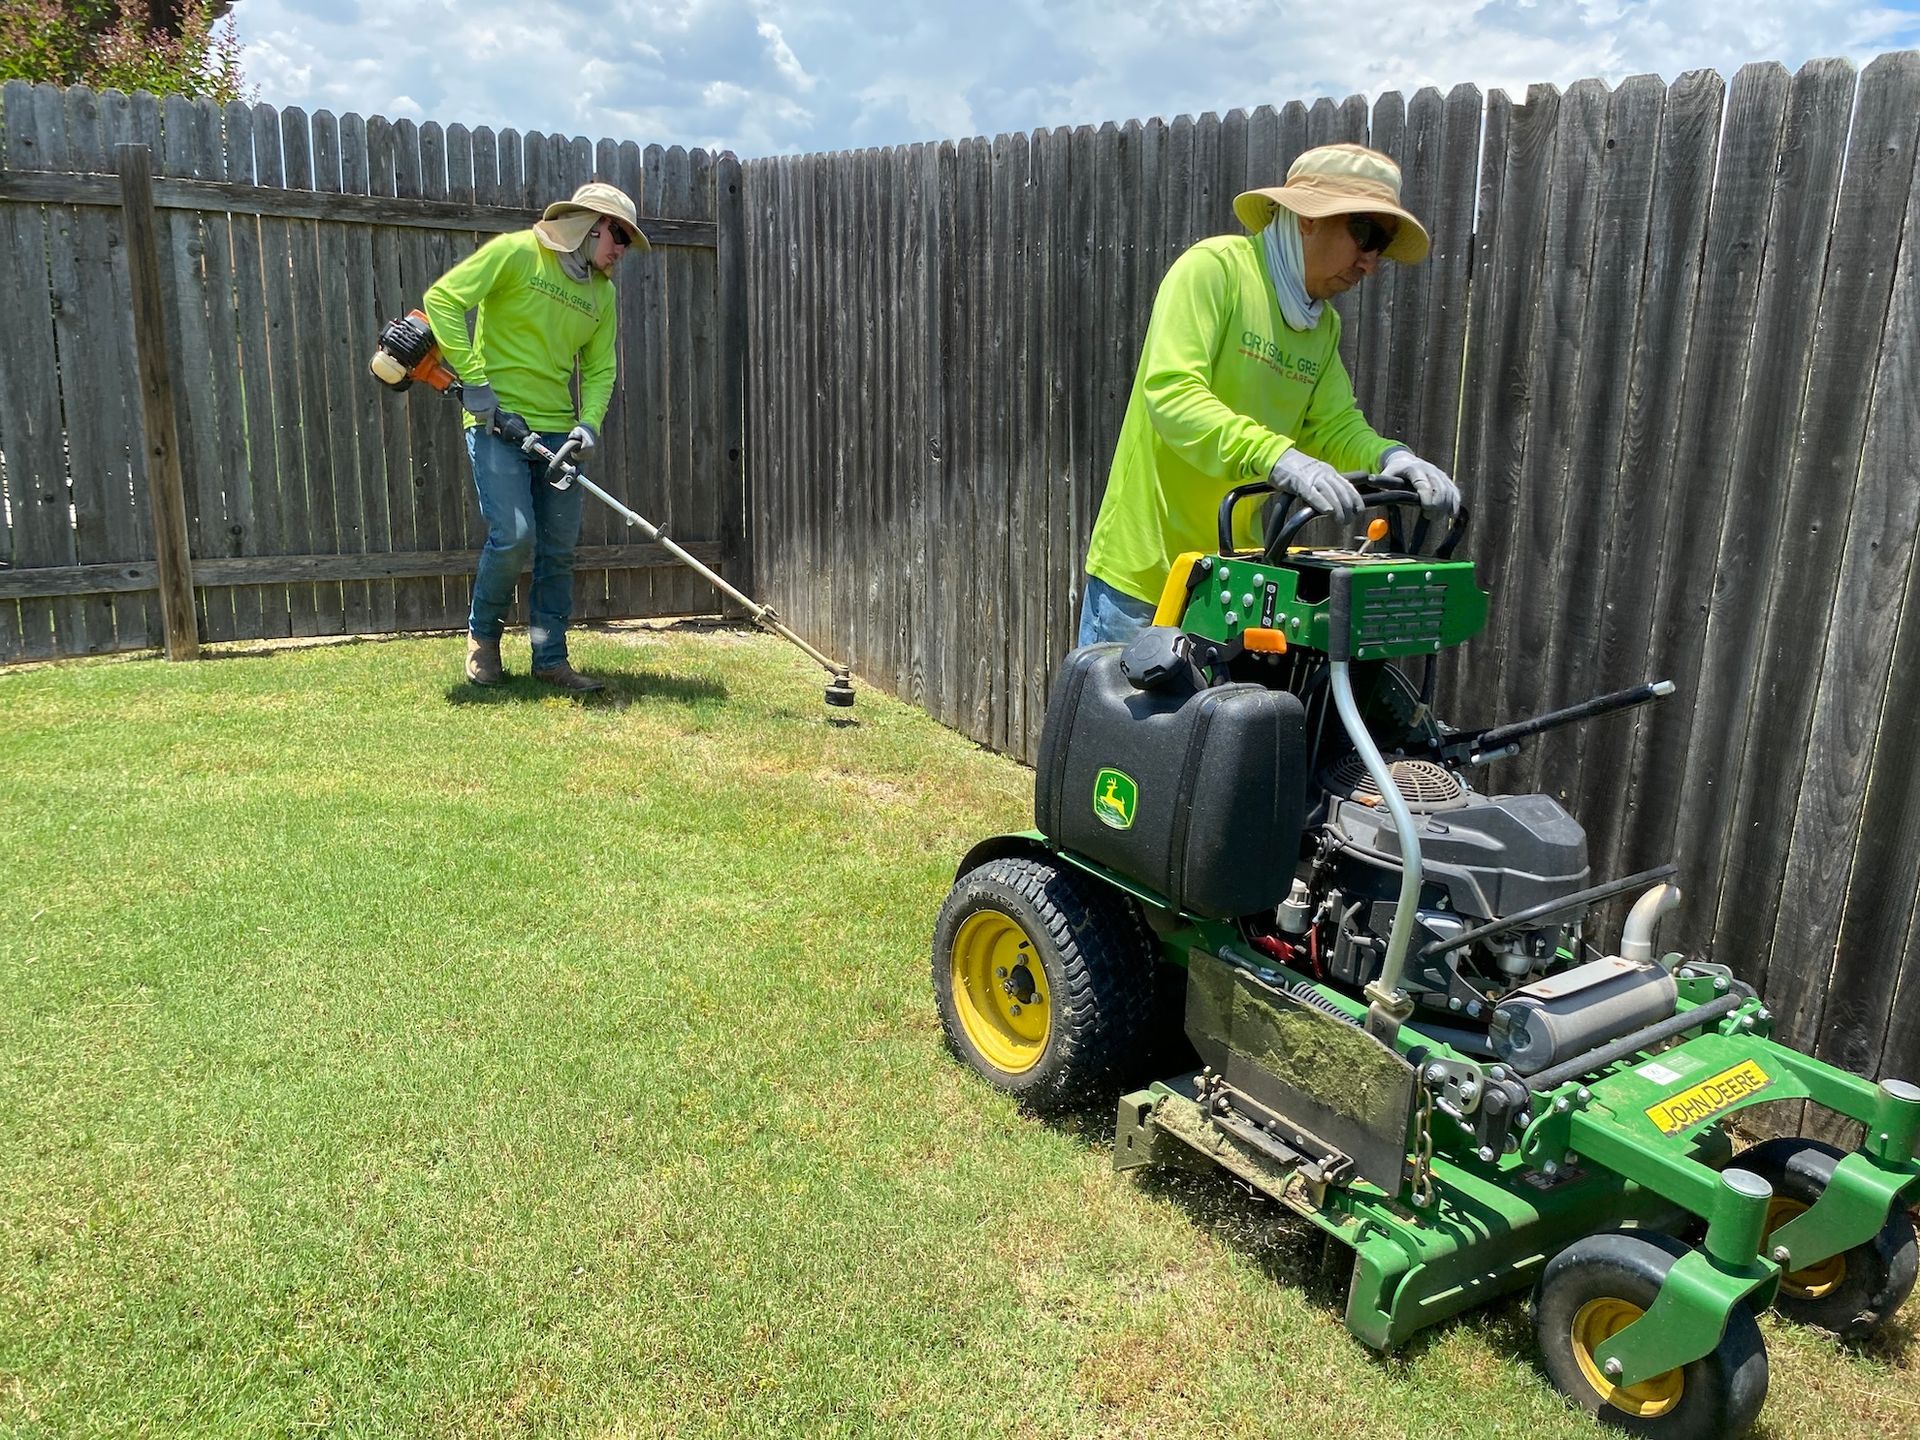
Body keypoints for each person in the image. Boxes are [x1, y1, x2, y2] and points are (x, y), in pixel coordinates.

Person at [1079, 142, 1460, 648]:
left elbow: (1331, 425)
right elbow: (1173, 395)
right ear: (1307, 218)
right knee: (1117, 728)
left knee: (1223, 727)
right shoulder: (1216, 270)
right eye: (1364, 234)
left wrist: (1392, 457)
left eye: (1381, 247)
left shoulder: (1320, 326)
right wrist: (1276, 456)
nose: (1370, 262)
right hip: (1145, 576)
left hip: (1234, 580)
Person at [422, 181, 648, 691]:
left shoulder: (601, 294)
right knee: (515, 535)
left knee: (559, 546)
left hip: (556, 434)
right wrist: (476, 382)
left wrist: (587, 424)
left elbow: (599, 368)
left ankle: (550, 657)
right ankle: (483, 641)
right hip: (495, 421)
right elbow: (443, 300)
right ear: (591, 226)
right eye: (619, 236)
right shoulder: (517, 252)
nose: (622, 251)